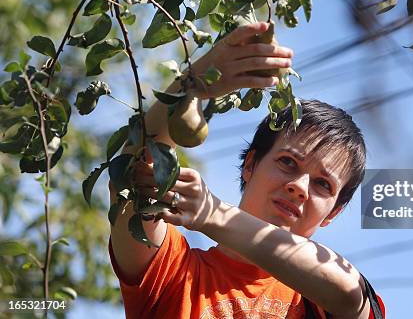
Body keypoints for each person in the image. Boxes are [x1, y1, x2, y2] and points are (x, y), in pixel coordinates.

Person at [108, 22, 385, 318]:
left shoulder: (316, 305)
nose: (300, 187)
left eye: (323, 185)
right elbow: (132, 176)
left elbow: (347, 291)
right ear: (250, 165)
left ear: (334, 212)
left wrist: (213, 214)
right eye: (288, 163)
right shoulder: (174, 271)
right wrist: (192, 83)